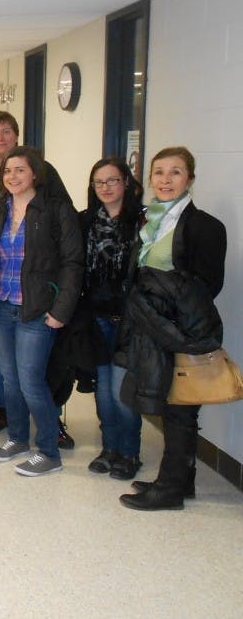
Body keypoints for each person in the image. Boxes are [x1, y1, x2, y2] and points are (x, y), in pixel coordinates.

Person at [117, 147, 226, 511]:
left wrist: (162, 302)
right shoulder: (148, 221)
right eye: (159, 172)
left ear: (190, 179)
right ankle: (182, 479)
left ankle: (170, 489)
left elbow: (208, 284)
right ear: (150, 178)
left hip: (181, 329)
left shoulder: (206, 226)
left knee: (180, 408)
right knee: (170, 405)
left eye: (175, 172)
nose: (166, 180)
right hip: (151, 328)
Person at [0, 147, 83, 477]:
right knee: (9, 379)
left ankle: (48, 451)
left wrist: (61, 310)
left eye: (20, 170)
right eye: (7, 171)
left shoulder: (56, 210)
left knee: (31, 380)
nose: (13, 176)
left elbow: (73, 263)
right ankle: (17, 439)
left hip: (37, 310)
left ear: (35, 173)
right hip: (1, 307)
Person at [80, 158, 144, 480]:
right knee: (103, 391)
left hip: (129, 320)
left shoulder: (142, 223)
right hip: (95, 317)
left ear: (126, 182)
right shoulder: (86, 222)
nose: (105, 187)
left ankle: (130, 452)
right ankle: (109, 449)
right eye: (99, 182)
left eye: (112, 180)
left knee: (122, 392)